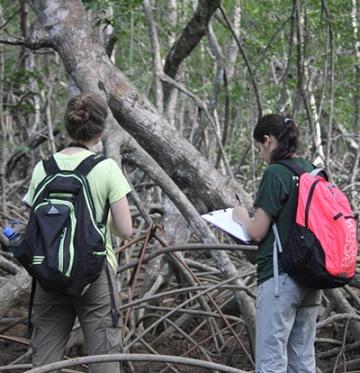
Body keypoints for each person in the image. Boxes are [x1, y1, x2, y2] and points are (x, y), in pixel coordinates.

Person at [23, 93, 133, 372]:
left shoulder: (42, 169)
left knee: (43, 364)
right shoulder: (106, 168)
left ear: (68, 126)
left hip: (48, 274)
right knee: (104, 363)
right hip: (94, 274)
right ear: (100, 130)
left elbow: (35, 225)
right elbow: (126, 229)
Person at [232, 114, 321, 373]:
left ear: (268, 141)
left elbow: (257, 232)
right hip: (311, 278)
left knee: (271, 361)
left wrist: (240, 217)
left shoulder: (275, 173)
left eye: (260, 148)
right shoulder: (311, 171)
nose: (261, 155)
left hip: (280, 279)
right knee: (303, 360)